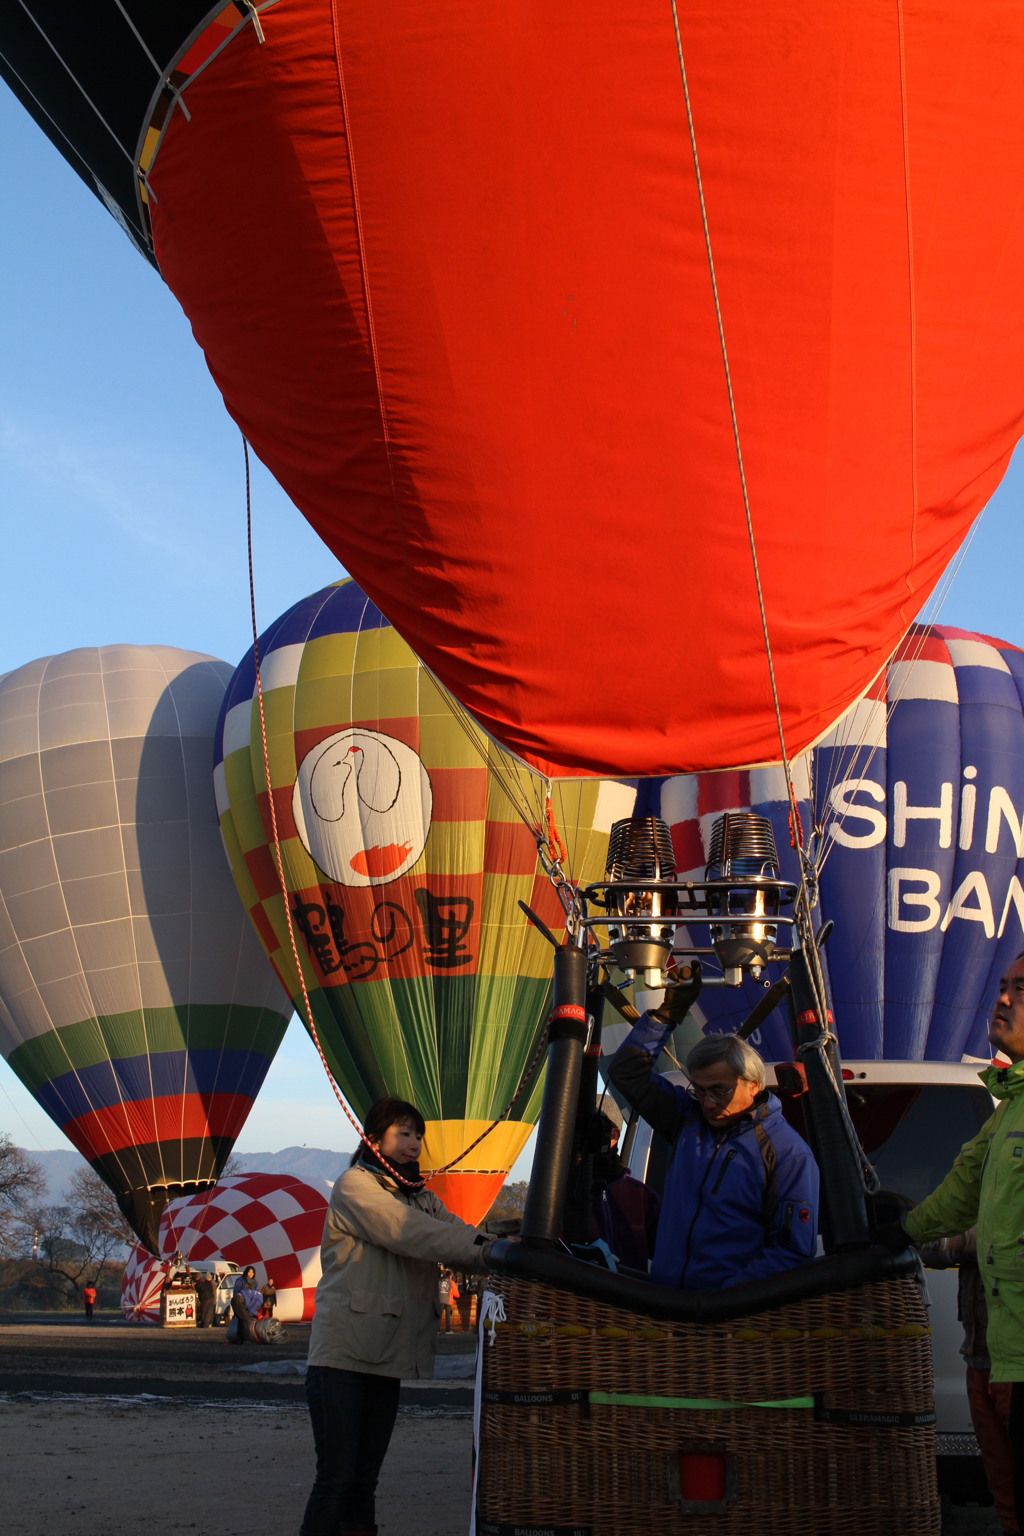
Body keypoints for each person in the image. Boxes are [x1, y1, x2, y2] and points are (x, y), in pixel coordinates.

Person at [301, 1095, 492, 1536]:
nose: (414, 1144)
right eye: (403, 1133)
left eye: (418, 1136)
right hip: (342, 1357)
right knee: (336, 1479)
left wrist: (506, 1244)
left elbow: (458, 1232)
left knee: (364, 1483)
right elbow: (412, 1233)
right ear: (374, 1138)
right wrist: (492, 1252)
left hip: (384, 1354)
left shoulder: (421, 1197)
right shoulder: (355, 1186)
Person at [887, 955, 1024, 1534]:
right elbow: (957, 1198)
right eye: (999, 986)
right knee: (1007, 1506)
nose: (1002, 999)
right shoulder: (1004, 1111)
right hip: (986, 1350)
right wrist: (895, 1233)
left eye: (1019, 989)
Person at [609, 1014, 819, 1288]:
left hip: (733, 1315)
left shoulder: (786, 1152)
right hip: (667, 1303)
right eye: (700, 1090)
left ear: (754, 1084)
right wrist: (662, 1019)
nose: (708, 1103)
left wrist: (726, 1299)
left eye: (720, 1091)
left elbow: (793, 1249)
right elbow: (626, 1072)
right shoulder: (686, 1119)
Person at [587, 1111, 661, 1271]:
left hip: (623, 1292)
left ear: (613, 1135)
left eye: (592, 1128)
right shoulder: (557, 1189)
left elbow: (670, 1256)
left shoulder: (643, 1197)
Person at [230, 1265, 263, 1342]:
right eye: (249, 1272)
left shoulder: (254, 1282)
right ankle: (244, 1339)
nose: (251, 1273)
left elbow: (254, 1294)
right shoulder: (240, 1280)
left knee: (242, 1320)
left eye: (252, 1272)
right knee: (244, 1319)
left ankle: (239, 1338)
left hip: (246, 1302)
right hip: (240, 1301)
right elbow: (236, 1292)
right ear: (246, 1272)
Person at [437, 1268, 456, 1333]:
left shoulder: (440, 1281)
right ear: (450, 1276)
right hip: (448, 1299)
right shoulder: (451, 1282)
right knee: (448, 1316)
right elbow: (456, 1294)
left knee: (439, 1315)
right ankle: (447, 1330)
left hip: (440, 1299)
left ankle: (437, 1330)